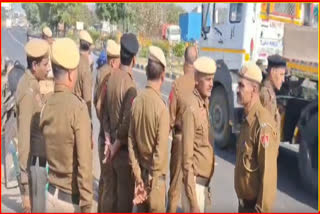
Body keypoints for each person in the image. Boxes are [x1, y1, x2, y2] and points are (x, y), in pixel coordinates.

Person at [40, 38, 93, 213]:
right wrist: (87, 207)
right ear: (71, 74)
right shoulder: (78, 109)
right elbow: (85, 168)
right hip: (70, 203)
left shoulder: (46, 105)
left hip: (49, 196)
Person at [128, 46, 169, 212]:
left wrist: (138, 177)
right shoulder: (161, 108)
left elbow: (131, 141)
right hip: (155, 182)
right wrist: (151, 180)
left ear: (146, 72)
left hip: (140, 176)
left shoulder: (137, 101)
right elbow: (160, 152)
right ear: (163, 75)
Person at [234, 61, 278, 213]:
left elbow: (269, 175)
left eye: (241, 85)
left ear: (253, 89)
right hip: (243, 205)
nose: (237, 90)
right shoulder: (248, 119)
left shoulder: (262, 125)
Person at [102, 33, 139, 212]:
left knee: (111, 199)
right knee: (123, 204)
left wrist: (108, 139)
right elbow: (126, 124)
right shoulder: (131, 87)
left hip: (111, 149)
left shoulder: (111, 77)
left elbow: (104, 112)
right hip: (122, 153)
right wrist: (115, 146)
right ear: (134, 58)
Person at [16, 39, 50, 212]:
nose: (48, 68)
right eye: (45, 64)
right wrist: (23, 177)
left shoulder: (33, 82)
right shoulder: (28, 92)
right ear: (35, 65)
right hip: (33, 165)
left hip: (38, 160)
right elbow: (23, 135)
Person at [181, 56, 216, 213]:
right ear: (196, 80)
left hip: (204, 186)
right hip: (195, 187)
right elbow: (187, 160)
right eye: (207, 79)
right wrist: (193, 201)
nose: (211, 84)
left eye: (212, 79)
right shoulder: (191, 108)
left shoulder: (204, 104)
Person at [167, 45, 198, 213]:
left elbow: (170, 119)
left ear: (184, 61)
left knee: (175, 189)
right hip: (196, 144)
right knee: (192, 190)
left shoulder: (177, 85)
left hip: (180, 142)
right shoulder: (201, 84)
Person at [93, 39, 120, 213]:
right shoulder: (110, 77)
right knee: (110, 185)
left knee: (104, 180)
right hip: (109, 138)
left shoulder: (100, 72)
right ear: (113, 61)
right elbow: (103, 108)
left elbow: (97, 105)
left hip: (103, 135)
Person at [260, 54, 286, 136]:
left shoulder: (270, 93)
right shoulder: (265, 95)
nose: (283, 80)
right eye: (281, 74)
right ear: (272, 72)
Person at [74, 30, 93, 119]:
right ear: (89, 48)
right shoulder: (86, 66)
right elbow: (87, 97)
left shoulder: (74, 61)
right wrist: (90, 122)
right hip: (80, 112)